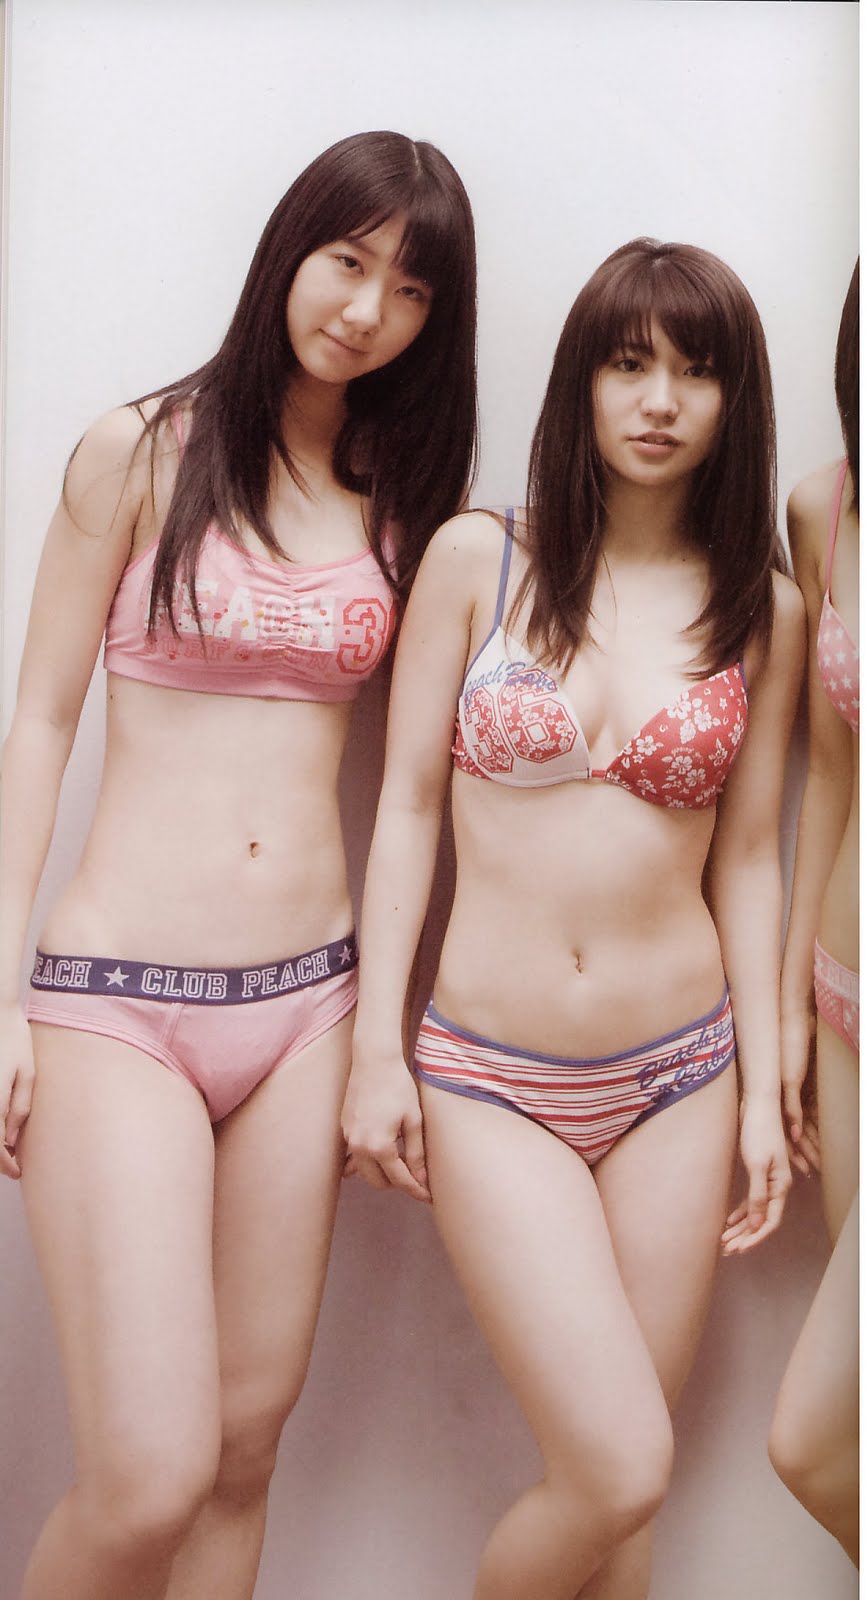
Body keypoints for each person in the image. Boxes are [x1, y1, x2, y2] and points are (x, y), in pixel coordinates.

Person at [0, 129, 477, 1600]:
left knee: (244, 1448)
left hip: (307, 1009)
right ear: (291, 248)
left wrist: (385, 1034)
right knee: (146, 1473)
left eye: (412, 289)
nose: (368, 310)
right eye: (348, 261)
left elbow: (416, 784)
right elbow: (40, 722)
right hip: (116, 1005)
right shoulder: (138, 452)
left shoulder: (397, 497)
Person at [343, 238, 805, 1600]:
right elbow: (405, 810)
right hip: (490, 1078)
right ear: (581, 383)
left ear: (734, 401)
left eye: (695, 372)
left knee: (628, 1512)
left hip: (679, 1077)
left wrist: (761, 1088)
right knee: (614, 1469)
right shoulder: (476, 560)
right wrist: (374, 1052)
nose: (659, 401)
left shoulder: (760, 608)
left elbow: (749, 862)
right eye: (628, 364)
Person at [767, 262, 859, 1565]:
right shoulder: (824, 508)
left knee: (813, 1442)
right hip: (844, 999)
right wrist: (788, 1002)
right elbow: (828, 778)